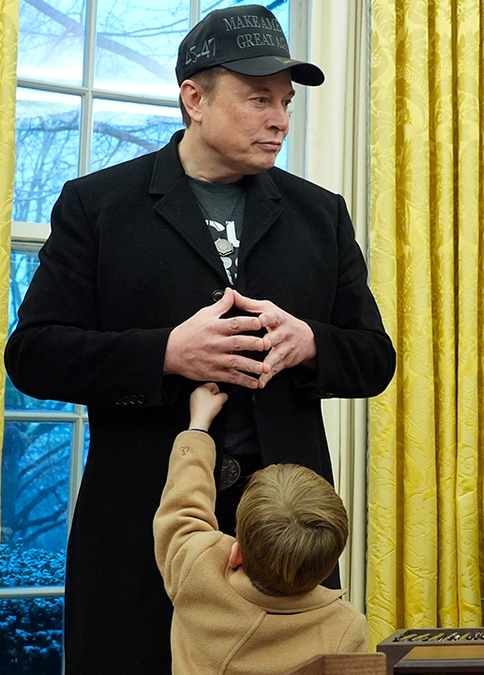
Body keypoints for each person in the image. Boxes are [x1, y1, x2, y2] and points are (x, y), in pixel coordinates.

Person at [3, 5, 395, 674]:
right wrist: (164, 354)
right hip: (138, 534)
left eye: (286, 102)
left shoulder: (319, 214)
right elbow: (33, 352)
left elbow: (374, 357)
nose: (280, 119)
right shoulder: (97, 206)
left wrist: (309, 342)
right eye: (258, 99)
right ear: (194, 98)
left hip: (287, 554)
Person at [155, 384, 367, 673]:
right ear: (327, 565)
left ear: (236, 553)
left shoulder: (199, 572)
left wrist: (198, 427)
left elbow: (183, 508)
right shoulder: (345, 627)